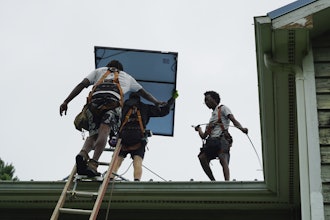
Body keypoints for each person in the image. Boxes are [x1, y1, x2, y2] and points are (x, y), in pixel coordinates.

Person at [59, 60, 165, 177]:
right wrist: (157, 102)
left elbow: (81, 85)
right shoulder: (127, 77)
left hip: (94, 104)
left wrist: (66, 101)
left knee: (93, 135)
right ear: (121, 69)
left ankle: (83, 153)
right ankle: (93, 163)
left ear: (108, 66)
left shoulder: (99, 71)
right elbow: (145, 94)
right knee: (104, 131)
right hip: (112, 103)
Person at [111, 91, 176, 181]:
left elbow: (112, 121)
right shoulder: (145, 107)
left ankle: (110, 177)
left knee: (117, 160)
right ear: (139, 98)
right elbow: (164, 111)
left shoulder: (122, 107)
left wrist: (111, 136)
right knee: (137, 160)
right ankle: (137, 179)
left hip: (123, 137)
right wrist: (172, 99)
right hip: (138, 137)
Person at [194, 91, 248, 181]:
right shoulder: (211, 119)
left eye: (207, 99)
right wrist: (199, 130)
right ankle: (213, 181)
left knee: (223, 157)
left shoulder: (223, 108)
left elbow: (233, 120)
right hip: (212, 141)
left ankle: (227, 182)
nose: (206, 102)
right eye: (205, 100)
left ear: (214, 99)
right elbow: (204, 136)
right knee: (202, 157)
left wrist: (242, 129)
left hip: (222, 139)